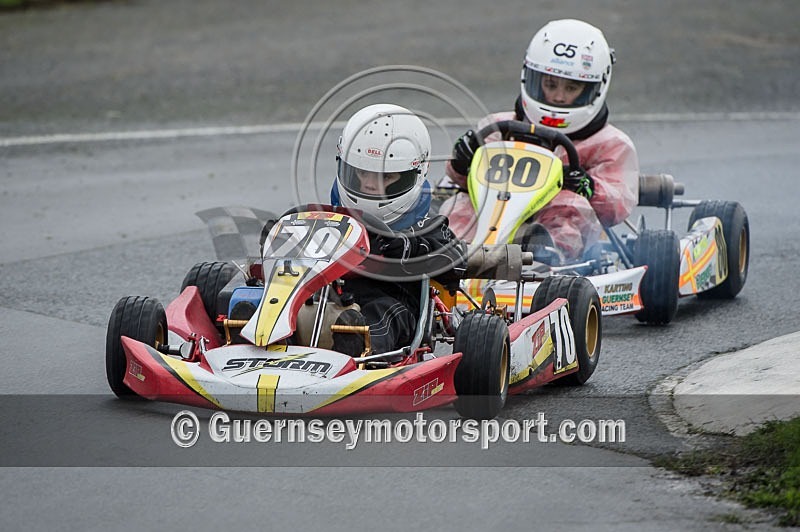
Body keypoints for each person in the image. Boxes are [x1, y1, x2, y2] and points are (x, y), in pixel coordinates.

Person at [443, 18, 639, 261]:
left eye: (572, 88)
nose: (558, 96)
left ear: (594, 89)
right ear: (532, 78)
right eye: (550, 84)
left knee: (568, 205)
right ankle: (453, 263)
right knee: (463, 204)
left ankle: (545, 262)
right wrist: (462, 162)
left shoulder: (609, 144)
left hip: (557, 234)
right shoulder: (497, 127)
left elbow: (617, 205)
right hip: (496, 211)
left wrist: (589, 187)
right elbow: (462, 181)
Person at [330, 103, 466, 356]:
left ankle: (358, 344)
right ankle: (250, 327)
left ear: (413, 174)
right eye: (361, 173)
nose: (369, 185)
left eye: (385, 177)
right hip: (328, 296)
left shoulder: (424, 225)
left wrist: (410, 246)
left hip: (394, 305)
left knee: (382, 312)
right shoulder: (331, 214)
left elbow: (456, 262)